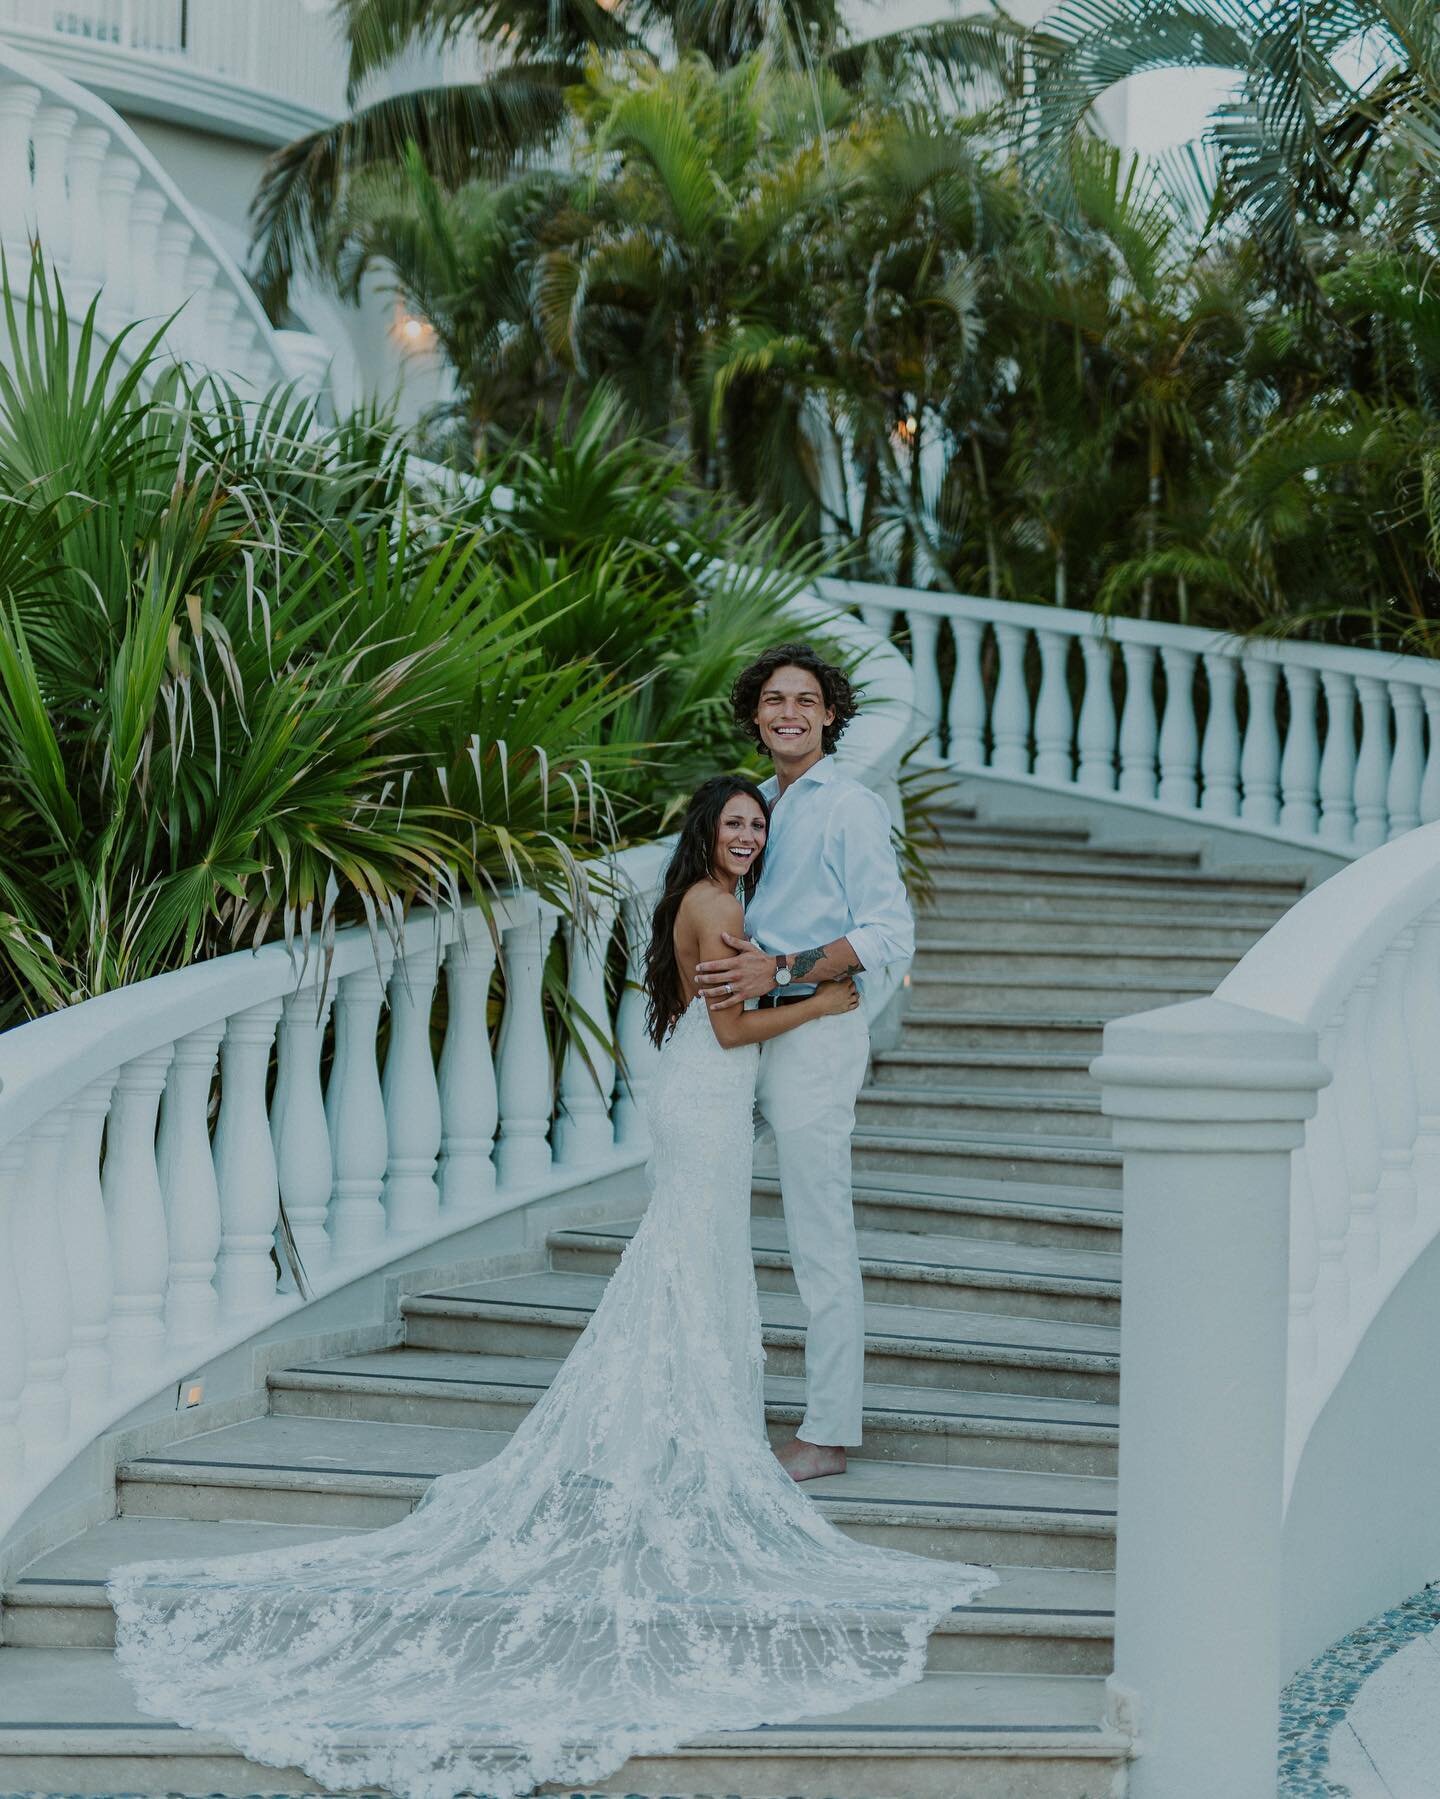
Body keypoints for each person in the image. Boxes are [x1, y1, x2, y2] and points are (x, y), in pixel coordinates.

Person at [106, 775, 993, 1799]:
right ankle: (685, 1427)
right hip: (710, 1099)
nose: (748, 834)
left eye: (759, 823)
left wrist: (797, 975)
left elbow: (743, 1000)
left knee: (694, 1263)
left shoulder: (725, 900)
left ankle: (684, 1418)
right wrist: (836, 994)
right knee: (689, 1260)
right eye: (735, 822)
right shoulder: (710, 903)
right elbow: (740, 1025)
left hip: (704, 1099)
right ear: (708, 829)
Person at [694, 643, 914, 1482]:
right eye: (774, 699)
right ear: (756, 714)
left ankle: (826, 1432)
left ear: (829, 716)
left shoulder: (847, 805)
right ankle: (717, 1396)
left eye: (806, 700)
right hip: (746, 1034)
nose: (789, 711)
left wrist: (784, 971)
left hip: (815, 1035)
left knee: (818, 1230)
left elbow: (890, 931)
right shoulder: (755, 806)